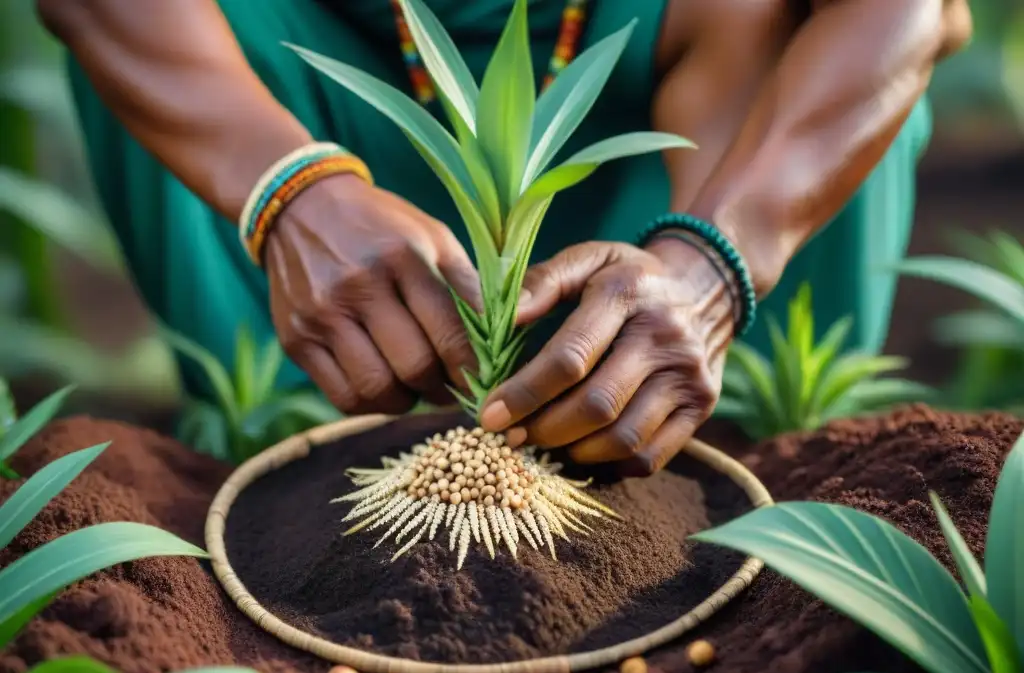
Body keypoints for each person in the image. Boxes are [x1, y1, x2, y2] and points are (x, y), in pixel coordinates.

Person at [40, 0, 971, 474]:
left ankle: (756, 468)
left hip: (682, 127)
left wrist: (716, 265)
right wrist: (287, 189)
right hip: (327, 105)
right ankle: (283, 473)